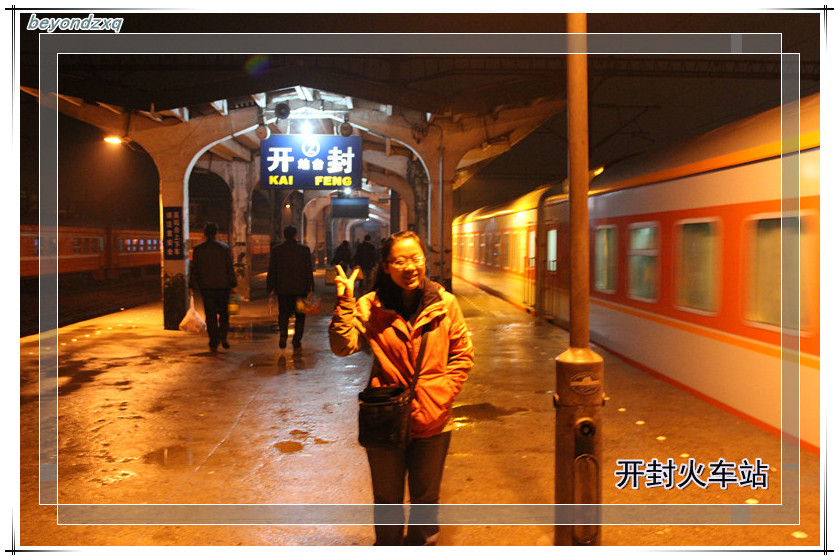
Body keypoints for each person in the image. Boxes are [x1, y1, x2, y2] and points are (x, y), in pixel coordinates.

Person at [329, 230, 474, 546]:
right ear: (386, 266)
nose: (410, 267)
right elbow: (342, 347)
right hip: (385, 416)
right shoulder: (370, 306)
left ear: (425, 260)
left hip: (434, 418)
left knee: (426, 499)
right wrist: (345, 303)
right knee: (387, 500)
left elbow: (462, 354)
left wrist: (443, 393)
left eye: (415, 258)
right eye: (399, 261)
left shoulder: (445, 304)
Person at [189, 222, 237, 352]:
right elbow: (229, 268)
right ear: (216, 233)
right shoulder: (224, 248)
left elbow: (194, 270)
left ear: (204, 234)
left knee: (210, 315)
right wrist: (233, 284)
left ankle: (213, 341)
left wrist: (191, 286)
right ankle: (223, 337)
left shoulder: (198, 250)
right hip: (223, 287)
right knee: (224, 314)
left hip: (206, 288)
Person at [267, 225, 314, 350]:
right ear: (295, 235)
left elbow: (272, 270)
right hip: (301, 289)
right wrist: (311, 287)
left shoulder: (277, 250)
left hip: (283, 289)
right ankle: (296, 340)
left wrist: (270, 288)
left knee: (283, 313)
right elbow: (308, 270)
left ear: (284, 235)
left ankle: (283, 334)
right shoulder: (304, 250)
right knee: (300, 315)